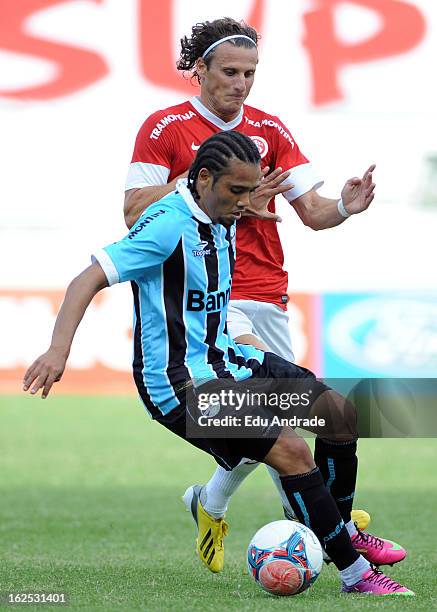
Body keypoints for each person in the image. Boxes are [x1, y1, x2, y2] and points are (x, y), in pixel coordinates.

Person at [23, 132, 412, 596]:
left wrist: (331, 206)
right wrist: (57, 350)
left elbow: (257, 206)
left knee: (338, 415)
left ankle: (338, 532)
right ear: (202, 178)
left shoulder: (220, 208)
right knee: (291, 452)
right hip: (181, 386)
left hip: (229, 360)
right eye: (237, 192)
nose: (245, 203)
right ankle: (356, 575)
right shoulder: (167, 223)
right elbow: (87, 278)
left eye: (250, 192)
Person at [123, 17, 375, 572]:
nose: (241, 83)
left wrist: (345, 209)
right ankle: (343, 555)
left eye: (250, 73)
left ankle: (211, 501)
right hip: (209, 296)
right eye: (230, 71)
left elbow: (312, 211)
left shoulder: (272, 130)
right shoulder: (166, 128)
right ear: (200, 72)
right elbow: (133, 209)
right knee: (280, 433)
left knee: (279, 425)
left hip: (268, 290)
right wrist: (206, 176)